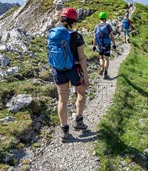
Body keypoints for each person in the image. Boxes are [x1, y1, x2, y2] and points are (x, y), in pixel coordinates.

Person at [47, 8, 89, 142]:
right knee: (81, 93)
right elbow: (82, 58)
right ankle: (78, 121)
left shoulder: (54, 34)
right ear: (73, 21)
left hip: (59, 71)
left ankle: (64, 131)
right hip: (74, 70)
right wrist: (86, 76)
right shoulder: (76, 36)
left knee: (62, 100)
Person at [92, 11, 116, 80]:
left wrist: (94, 46)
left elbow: (94, 38)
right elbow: (112, 36)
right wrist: (114, 44)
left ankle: (101, 66)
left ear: (100, 18)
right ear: (105, 18)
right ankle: (105, 72)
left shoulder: (96, 26)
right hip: (107, 44)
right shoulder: (108, 26)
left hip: (100, 45)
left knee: (100, 57)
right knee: (107, 59)